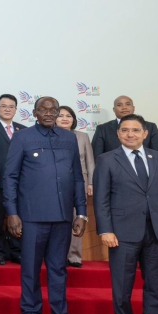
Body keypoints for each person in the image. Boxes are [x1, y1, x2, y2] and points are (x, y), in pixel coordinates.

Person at [3, 96, 87, 314]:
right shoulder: (23, 137)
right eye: (44, 109)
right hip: (31, 217)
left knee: (58, 270)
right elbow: (10, 177)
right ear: (35, 113)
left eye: (54, 110)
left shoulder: (69, 138)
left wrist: (81, 212)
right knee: (30, 269)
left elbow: (78, 178)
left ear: (59, 112)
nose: (49, 113)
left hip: (62, 217)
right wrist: (12, 212)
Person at [93, 114, 158, 314]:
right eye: (125, 130)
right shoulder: (107, 160)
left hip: (156, 234)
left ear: (145, 133)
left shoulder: (157, 158)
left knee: (156, 284)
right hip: (122, 233)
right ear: (118, 134)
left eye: (135, 130)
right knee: (122, 285)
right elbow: (100, 199)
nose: (130, 134)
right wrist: (105, 230)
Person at [0, 94, 25, 265]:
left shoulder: (24, 130)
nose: (7, 109)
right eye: (3, 106)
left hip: (20, 184)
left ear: (16, 110)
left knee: (17, 218)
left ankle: (16, 250)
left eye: (11, 106)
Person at [57, 105, 94, 268]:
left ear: (73, 119)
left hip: (80, 181)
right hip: (57, 182)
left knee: (78, 218)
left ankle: (74, 256)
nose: (65, 118)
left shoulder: (83, 136)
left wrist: (91, 182)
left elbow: (90, 162)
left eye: (69, 115)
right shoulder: (50, 136)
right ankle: (58, 255)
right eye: (61, 115)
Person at [92, 96, 158, 157]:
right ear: (114, 109)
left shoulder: (151, 127)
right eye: (119, 105)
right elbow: (97, 156)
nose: (124, 107)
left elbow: (157, 153)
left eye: (128, 104)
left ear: (133, 108)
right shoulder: (103, 129)